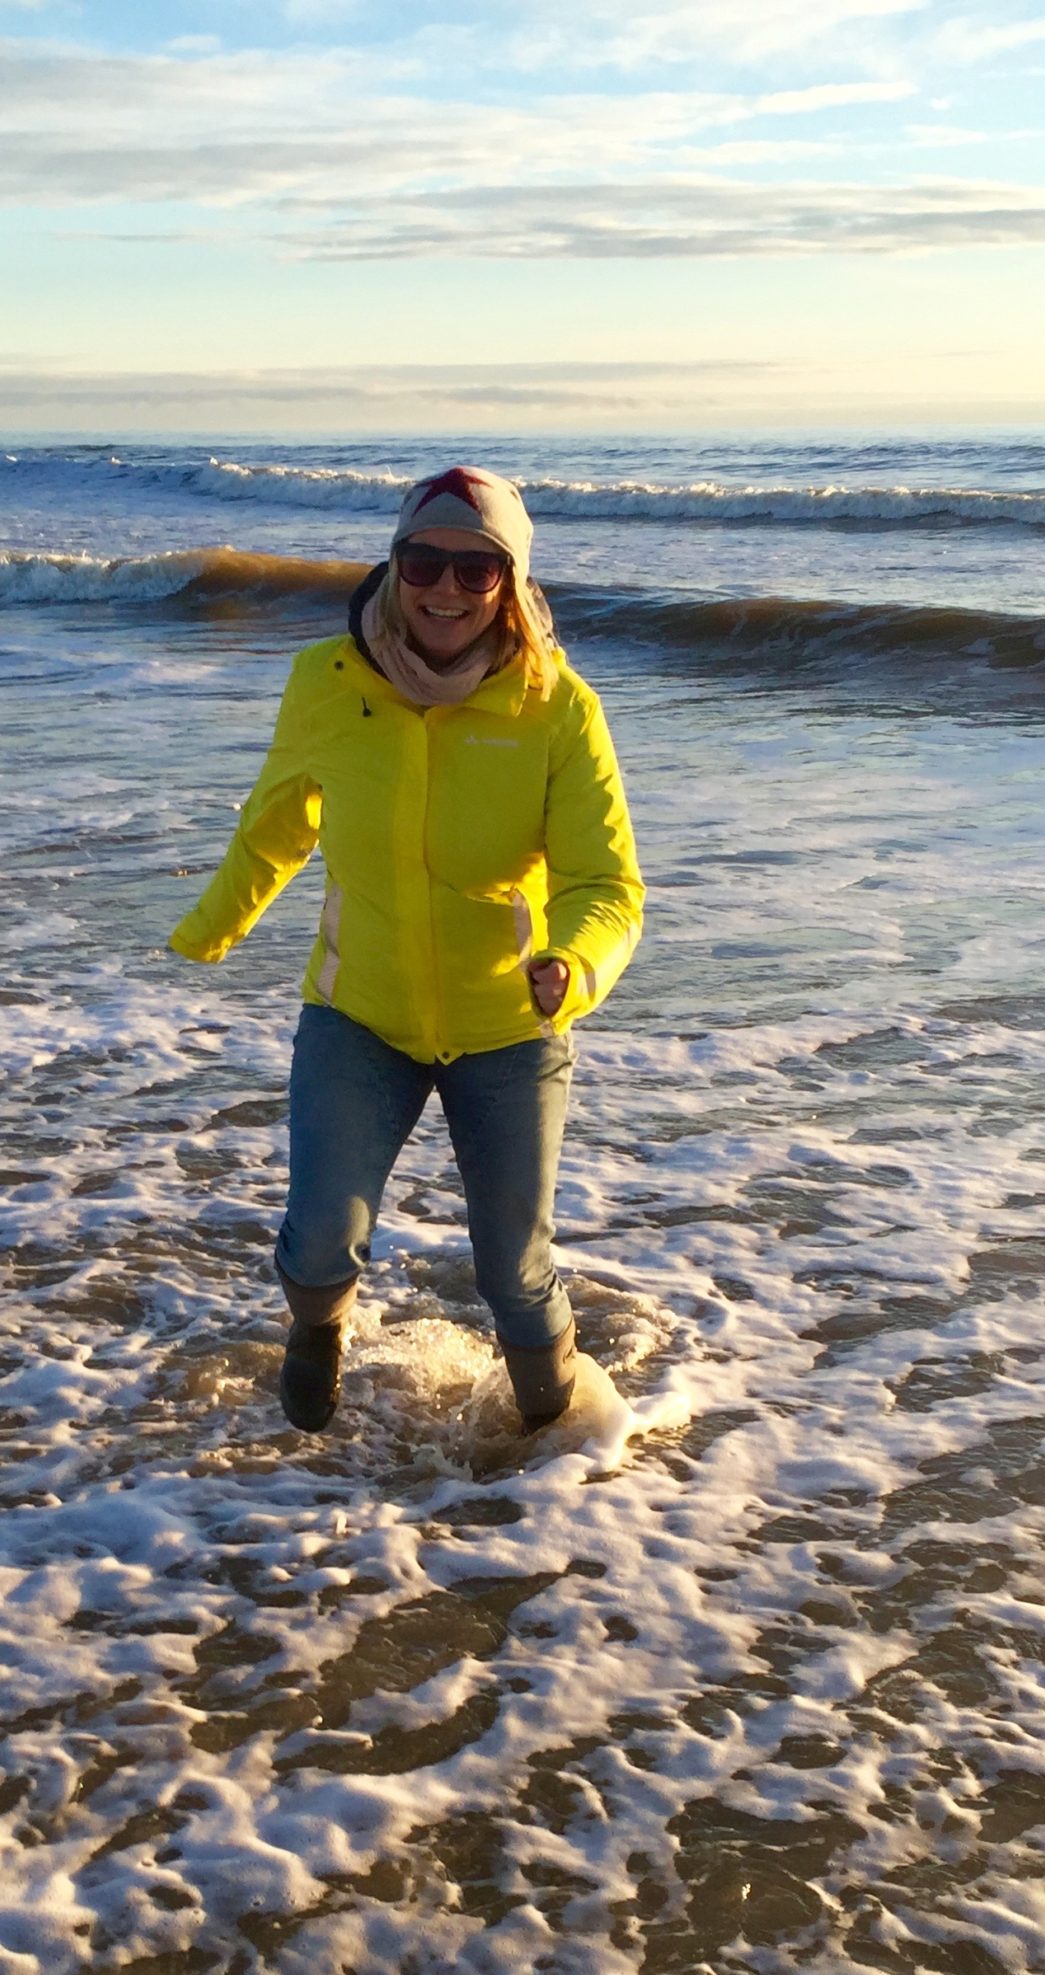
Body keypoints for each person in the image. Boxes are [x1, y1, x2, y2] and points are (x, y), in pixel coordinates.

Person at [170, 465, 644, 1435]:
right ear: (393, 562)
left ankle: (562, 1445)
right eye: (424, 560)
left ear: (509, 583)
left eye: (476, 571)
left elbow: (608, 884)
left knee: (512, 1272)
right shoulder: (324, 682)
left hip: (509, 1024)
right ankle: (316, 1331)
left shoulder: (557, 708)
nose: (445, 588)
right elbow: (276, 826)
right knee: (317, 1240)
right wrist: (212, 926)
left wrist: (575, 963)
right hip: (359, 1012)